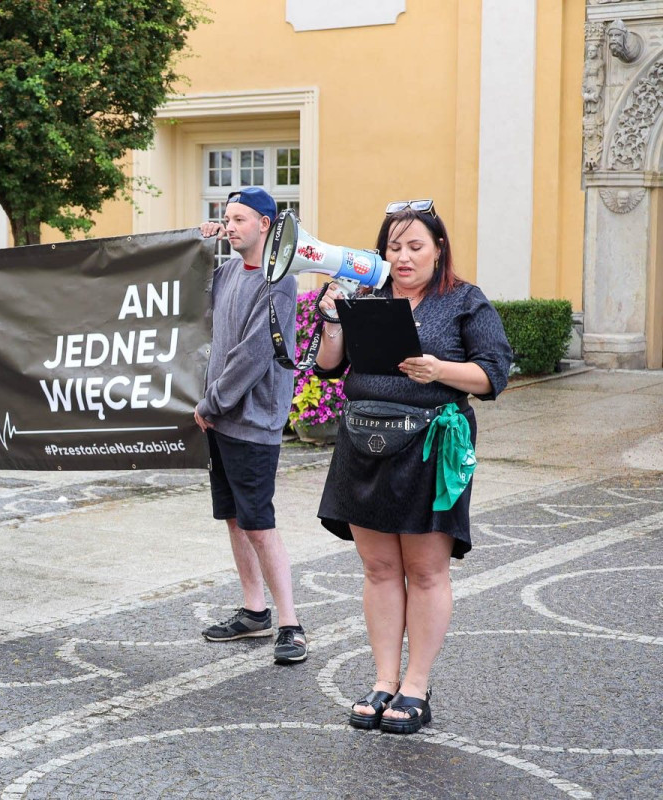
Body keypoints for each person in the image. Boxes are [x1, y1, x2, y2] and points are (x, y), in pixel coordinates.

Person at [314, 200, 513, 733]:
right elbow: (330, 367)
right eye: (393, 247)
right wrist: (332, 317)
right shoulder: (367, 295)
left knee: (425, 571)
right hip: (364, 443)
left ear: (438, 248)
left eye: (414, 246)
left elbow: (495, 374)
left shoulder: (465, 301)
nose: (403, 257)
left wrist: (439, 369)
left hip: (430, 447)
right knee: (378, 569)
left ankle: (415, 687)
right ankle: (383, 681)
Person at [195, 187, 307, 665]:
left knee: (259, 523)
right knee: (235, 518)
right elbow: (188, 303)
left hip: (251, 419)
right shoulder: (223, 273)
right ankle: (254, 612)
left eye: (239, 218)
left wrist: (213, 401)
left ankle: (290, 624)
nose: (230, 225)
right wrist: (195, 244)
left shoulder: (278, 281)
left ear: (266, 224)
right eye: (226, 217)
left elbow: (254, 354)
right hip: (220, 421)